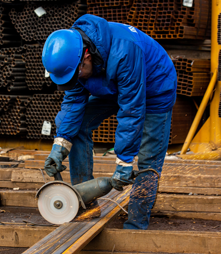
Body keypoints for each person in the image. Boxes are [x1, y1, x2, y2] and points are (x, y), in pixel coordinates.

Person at [41, 14, 177, 230]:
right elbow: (73, 103)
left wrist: (124, 161)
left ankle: (136, 223)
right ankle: (84, 202)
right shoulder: (74, 60)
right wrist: (60, 144)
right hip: (111, 83)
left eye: (77, 75)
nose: (75, 80)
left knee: (149, 157)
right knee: (77, 127)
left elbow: (132, 111)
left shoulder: (124, 51)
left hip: (154, 88)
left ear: (86, 57)